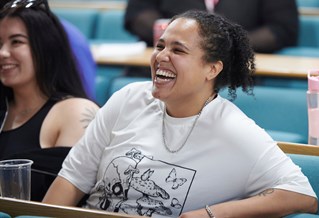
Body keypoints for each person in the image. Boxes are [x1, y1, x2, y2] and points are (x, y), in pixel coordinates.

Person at [43, 10, 317, 217]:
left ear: (212, 69)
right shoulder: (127, 99)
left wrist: (209, 214)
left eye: (178, 50)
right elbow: (72, 179)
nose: (161, 56)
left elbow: (303, 194)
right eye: (160, 46)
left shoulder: (234, 129)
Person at [0, 0, 99, 201]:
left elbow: (68, 202)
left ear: (45, 47)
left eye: (16, 42)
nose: (2, 53)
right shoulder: (4, 108)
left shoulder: (74, 111)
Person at [124, 0, 299, 54]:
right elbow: (137, 16)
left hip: (235, 71)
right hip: (161, 66)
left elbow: (282, 29)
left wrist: (225, 42)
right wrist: (185, 36)